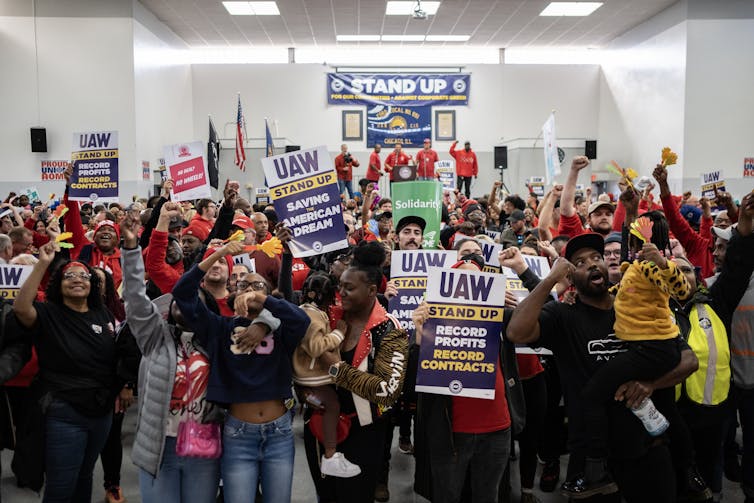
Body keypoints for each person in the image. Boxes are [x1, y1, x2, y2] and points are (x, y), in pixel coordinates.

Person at [507, 234, 700, 502]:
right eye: (580, 262)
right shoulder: (564, 315)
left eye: (596, 257)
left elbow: (689, 360)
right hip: (590, 461)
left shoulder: (635, 308)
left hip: (647, 449)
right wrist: (551, 280)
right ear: (571, 277)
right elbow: (516, 331)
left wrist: (651, 385)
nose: (593, 264)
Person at [171, 241, 310, 503]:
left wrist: (262, 304)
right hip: (238, 435)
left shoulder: (281, 329)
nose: (249, 289)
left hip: (279, 434)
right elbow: (182, 291)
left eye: (258, 286)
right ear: (233, 293)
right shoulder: (218, 327)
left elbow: (301, 320)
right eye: (243, 285)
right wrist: (220, 254)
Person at [412, 247, 528, 503]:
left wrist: (521, 291)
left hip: (498, 430)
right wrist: (420, 341)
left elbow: (542, 317)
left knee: (488, 495)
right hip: (450, 435)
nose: (468, 288)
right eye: (461, 281)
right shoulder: (430, 325)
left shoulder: (502, 319)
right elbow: (411, 383)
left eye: (478, 282)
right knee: (447, 496)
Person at [120, 216, 223, 503]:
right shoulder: (155, 336)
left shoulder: (215, 341)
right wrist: (130, 248)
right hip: (160, 448)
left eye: (194, 299)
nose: (184, 305)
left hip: (203, 447)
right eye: (179, 299)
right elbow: (135, 300)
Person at [13, 240, 121, 503]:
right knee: (62, 484)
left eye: (83, 276)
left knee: (85, 477)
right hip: (64, 410)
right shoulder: (48, 313)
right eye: (68, 276)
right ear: (58, 285)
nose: (76, 280)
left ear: (92, 284)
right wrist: (42, 263)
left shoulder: (103, 314)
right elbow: (20, 308)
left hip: (101, 410)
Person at [303, 242, 409, 503]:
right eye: (340, 286)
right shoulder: (328, 317)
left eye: (349, 288)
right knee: (326, 496)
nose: (341, 293)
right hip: (320, 426)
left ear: (372, 290)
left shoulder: (390, 329)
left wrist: (337, 369)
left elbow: (388, 390)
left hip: (364, 434)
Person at [293, 272, 361, 478]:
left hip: (313, 378)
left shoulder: (311, 312)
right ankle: (330, 456)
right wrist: (339, 333)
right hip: (313, 376)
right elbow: (316, 347)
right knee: (331, 406)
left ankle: (331, 455)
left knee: (328, 405)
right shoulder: (310, 314)